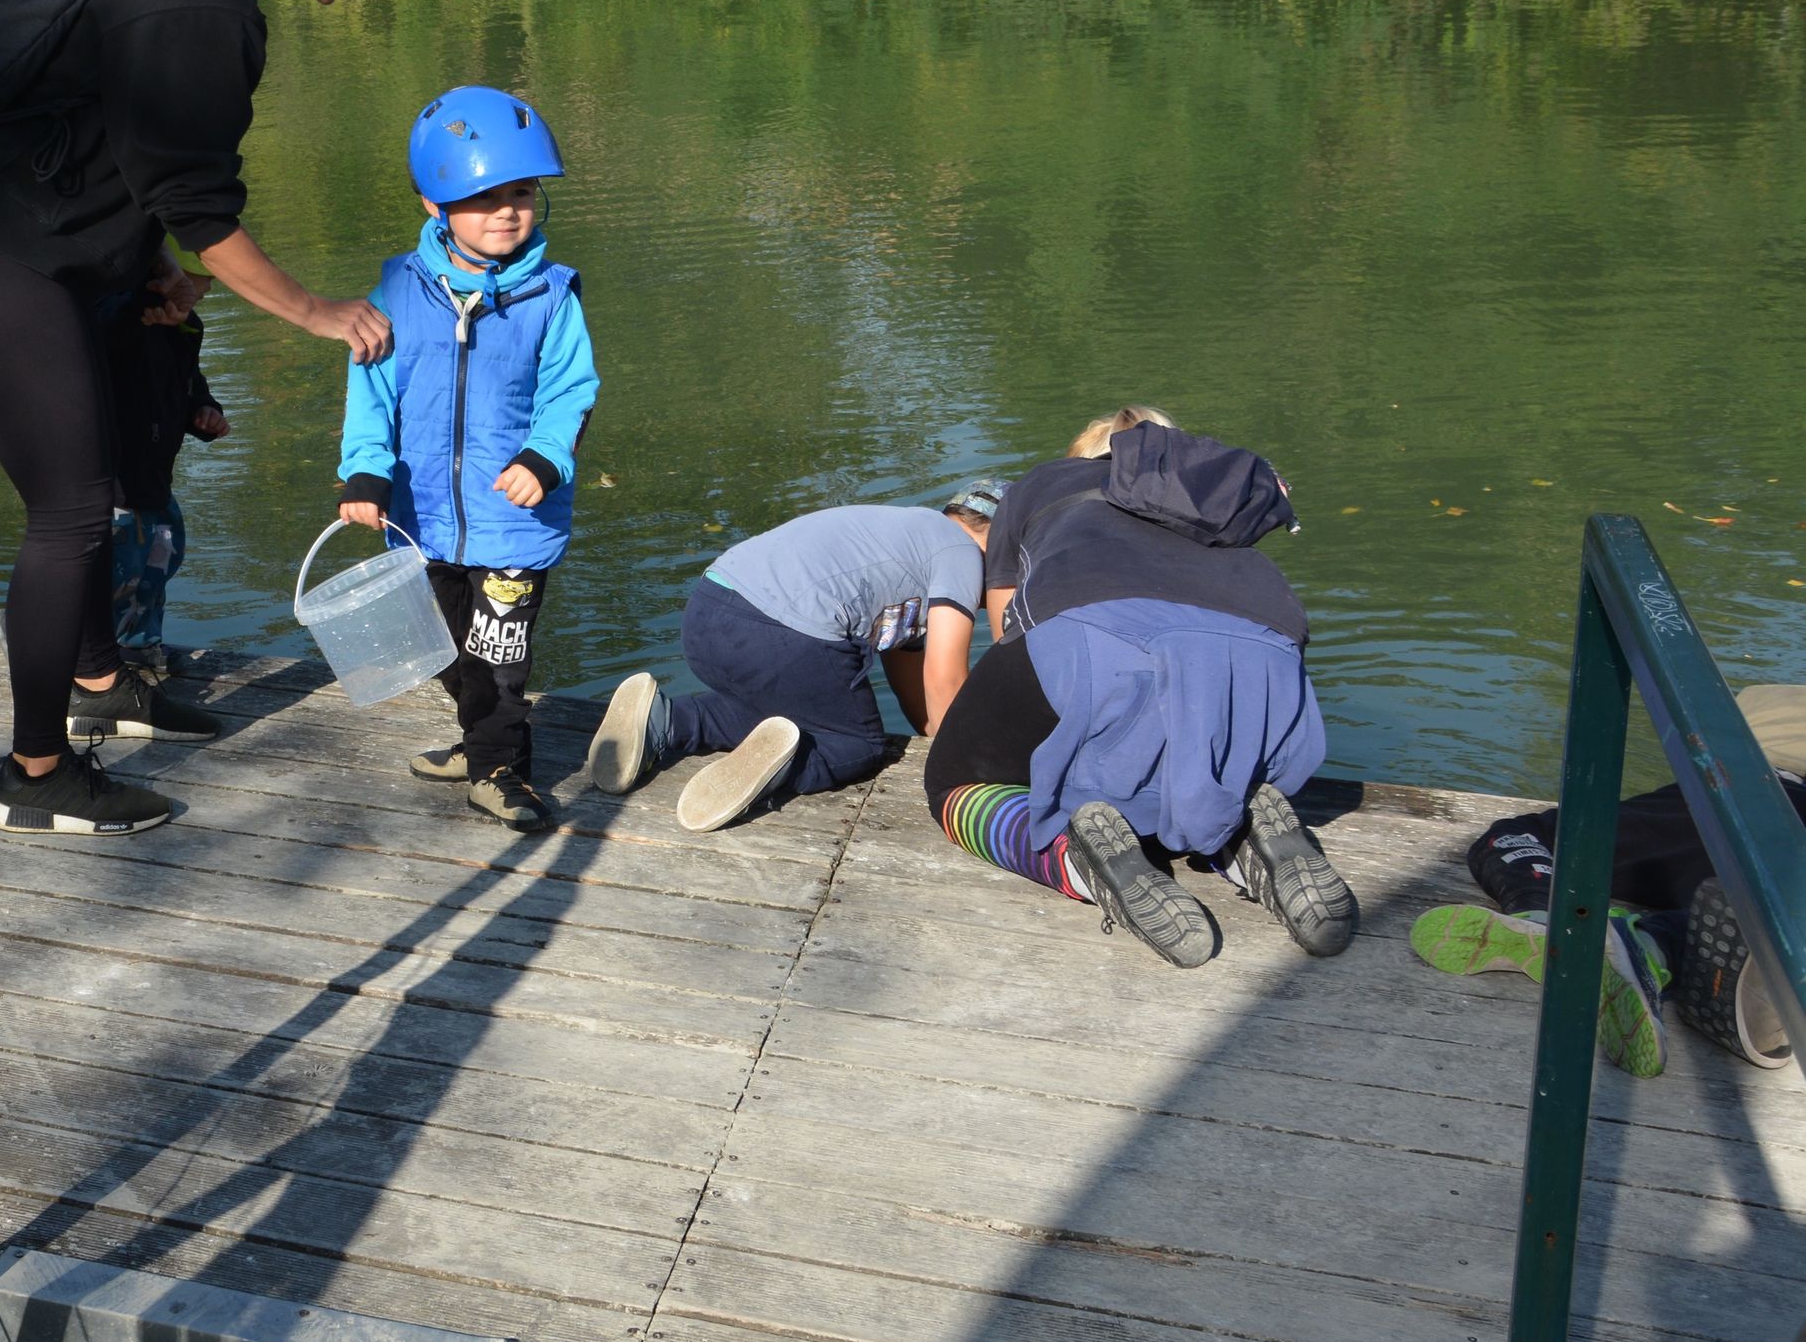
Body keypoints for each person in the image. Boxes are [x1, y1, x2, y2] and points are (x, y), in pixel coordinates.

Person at [0, 0, 404, 840]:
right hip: (2, 255)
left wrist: (151, 267)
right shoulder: (201, 2)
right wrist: (319, 311)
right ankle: (35, 774)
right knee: (74, 504)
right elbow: (200, 201)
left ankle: (100, 678)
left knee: (96, 487)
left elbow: (122, 149)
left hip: (59, 246)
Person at [922, 406, 1357, 966]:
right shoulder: (1213, 500)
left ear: (1086, 454)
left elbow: (1011, 626)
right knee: (1201, 757)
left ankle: (1074, 862)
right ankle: (1241, 833)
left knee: (953, 788)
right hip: (1266, 658)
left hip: (1093, 636)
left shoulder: (1041, 484)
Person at [338, 87, 601, 830]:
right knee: (444, 649)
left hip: (514, 520)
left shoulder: (552, 296)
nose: (507, 211)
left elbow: (571, 391)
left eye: (521, 194)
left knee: (499, 657)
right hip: (420, 517)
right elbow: (370, 386)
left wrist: (545, 458)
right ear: (434, 203)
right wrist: (366, 469)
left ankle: (498, 770)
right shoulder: (397, 287)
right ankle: (478, 738)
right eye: (484, 197)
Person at [1408, 682, 1806, 1077]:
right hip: (1789, 812)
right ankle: (1650, 944)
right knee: (1762, 906)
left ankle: (1540, 910)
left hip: (1714, 789)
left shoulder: (1763, 694)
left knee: (1519, 835)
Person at [589, 483, 1003, 833]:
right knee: (855, 745)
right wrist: (969, 770)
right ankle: (778, 772)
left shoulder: (907, 537)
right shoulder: (961, 552)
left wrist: (938, 738)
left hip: (708, 612)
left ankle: (666, 721)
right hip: (779, 634)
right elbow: (944, 676)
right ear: (997, 541)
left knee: (777, 710)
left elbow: (913, 681)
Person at [101, 284, 229, 677]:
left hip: (156, 476)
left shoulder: (184, 328)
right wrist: (140, 304)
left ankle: (141, 645)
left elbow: (188, 380)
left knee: (162, 558)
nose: (206, 288)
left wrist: (204, 411)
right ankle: (101, 654)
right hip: (116, 480)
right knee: (122, 567)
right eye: (197, 279)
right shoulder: (112, 319)